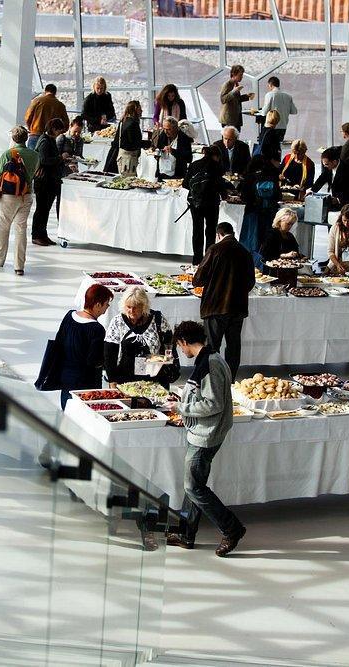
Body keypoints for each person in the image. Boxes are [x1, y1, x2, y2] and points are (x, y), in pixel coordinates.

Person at [165, 320, 246, 558]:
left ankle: (232, 529)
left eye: (180, 347)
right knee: (195, 484)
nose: (182, 351)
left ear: (183, 342)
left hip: (206, 434)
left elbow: (213, 403)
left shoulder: (210, 364)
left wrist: (182, 407)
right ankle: (186, 534)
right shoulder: (211, 358)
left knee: (193, 487)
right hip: (202, 431)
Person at [191, 222, 255, 380]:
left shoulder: (215, 249)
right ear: (233, 233)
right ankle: (230, 380)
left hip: (215, 306)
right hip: (238, 308)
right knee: (233, 347)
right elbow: (251, 282)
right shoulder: (245, 252)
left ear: (218, 235)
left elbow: (198, 280)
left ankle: (211, 379)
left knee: (212, 347)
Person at [103, 287, 179, 388]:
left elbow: (170, 346)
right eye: (128, 307)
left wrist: (163, 361)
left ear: (144, 306)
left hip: (154, 378)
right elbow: (109, 353)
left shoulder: (158, 319)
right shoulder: (117, 322)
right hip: (126, 379)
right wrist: (112, 379)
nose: (131, 311)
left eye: (136, 307)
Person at [0, 126, 39, 276]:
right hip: (26, 195)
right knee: (21, 229)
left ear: (13, 138)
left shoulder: (8, 153)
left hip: (8, 196)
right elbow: (34, 173)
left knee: (3, 227)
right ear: (27, 138)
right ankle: (19, 266)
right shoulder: (35, 155)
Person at [56, 284, 113, 408]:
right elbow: (94, 360)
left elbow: (59, 341)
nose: (107, 307)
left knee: (66, 410)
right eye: (106, 304)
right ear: (98, 305)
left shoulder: (69, 316)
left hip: (66, 376)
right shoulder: (96, 329)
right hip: (85, 382)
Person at [185, 146, 229, 264]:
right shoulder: (217, 167)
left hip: (195, 202)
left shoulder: (194, 165)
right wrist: (225, 195)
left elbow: (185, 184)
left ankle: (196, 259)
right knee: (210, 231)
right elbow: (220, 185)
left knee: (197, 230)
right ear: (217, 156)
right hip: (211, 202)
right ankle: (208, 259)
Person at [31, 117, 67, 246]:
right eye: (59, 130)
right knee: (41, 209)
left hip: (49, 180)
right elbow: (44, 160)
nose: (60, 133)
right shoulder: (45, 141)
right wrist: (60, 158)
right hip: (44, 180)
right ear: (53, 129)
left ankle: (43, 234)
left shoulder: (49, 139)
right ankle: (36, 235)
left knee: (45, 209)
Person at [239, 155, 281, 257]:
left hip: (252, 212)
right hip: (269, 213)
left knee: (250, 240)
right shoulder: (272, 175)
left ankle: (250, 262)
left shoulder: (249, 177)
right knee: (266, 239)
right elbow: (278, 196)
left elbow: (244, 196)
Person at [308, 146, 349, 219]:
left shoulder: (347, 172)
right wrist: (312, 190)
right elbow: (321, 179)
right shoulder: (329, 167)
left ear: (334, 162)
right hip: (338, 203)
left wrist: (338, 199)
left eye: (326, 164)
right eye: (324, 164)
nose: (325, 166)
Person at [24, 83, 68, 149]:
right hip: (50, 138)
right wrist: (58, 133)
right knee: (46, 157)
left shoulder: (36, 101)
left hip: (35, 133)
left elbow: (28, 117)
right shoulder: (60, 105)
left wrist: (31, 128)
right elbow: (66, 123)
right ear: (55, 93)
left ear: (45, 91)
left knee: (32, 157)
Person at [112, 100, 147, 177]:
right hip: (129, 159)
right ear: (135, 110)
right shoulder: (133, 123)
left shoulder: (123, 121)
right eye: (139, 109)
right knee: (129, 180)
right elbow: (134, 143)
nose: (141, 111)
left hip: (122, 156)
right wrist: (150, 144)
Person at [258, 76, 298, 142]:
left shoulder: (269, 95)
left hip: (271, 127)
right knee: (277, 147)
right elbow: (294, 111)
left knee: (266, 147)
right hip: (283, 127)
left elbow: (264, 112)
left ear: (270, 85)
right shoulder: (288, 96)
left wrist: (259, 111)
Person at [218, 65, 254, 130]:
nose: (242, 77)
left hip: (235, 119)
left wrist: (247, 96)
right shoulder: (227, 84)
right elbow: (223, 99)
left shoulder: (236, 84)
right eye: (240, 75)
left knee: (236, 138)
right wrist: (234, 91)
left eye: (242, 75)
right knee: (230, 138)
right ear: (233, 74)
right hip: (228, 120)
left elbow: (236, 99)